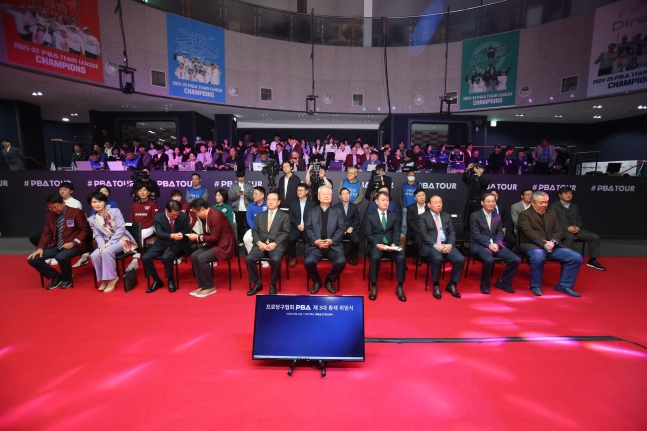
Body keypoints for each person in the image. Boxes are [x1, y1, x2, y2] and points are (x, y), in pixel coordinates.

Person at [518, 191, 583, 297]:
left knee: (576, 257)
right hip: (533, 245)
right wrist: (544, 244)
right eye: (541, 202)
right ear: (533, 202)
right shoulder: (524, 215)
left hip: (553, 246)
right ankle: (536, 286)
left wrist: (552, 242)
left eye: (546, 202)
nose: (544, 205)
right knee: (538, 257)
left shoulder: (552, 213)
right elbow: (529, 232)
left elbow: (559, 231)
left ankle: (564, 285)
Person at [27, 194, 90, 290]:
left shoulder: (77, 212)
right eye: (50, 208)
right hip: (59, 245)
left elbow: (85, 230)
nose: (53, 210)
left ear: (63, 203)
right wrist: (40, 248)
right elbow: (47, 233)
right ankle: (56, 276)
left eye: (56, 207)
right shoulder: (49, 216)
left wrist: (73, 243)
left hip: (75, 245)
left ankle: (67, 278)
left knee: (61, 256)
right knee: (33, 259)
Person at [469, 193, 521, 295]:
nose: (491, 203)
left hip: (496, 245)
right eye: (488, 201)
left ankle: (503, 282)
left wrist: (497, 244)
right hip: (481, 245)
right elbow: (476, 235)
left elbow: (500, 232)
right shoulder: (474, 215)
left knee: (515, 260)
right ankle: (485, 284)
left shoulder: (497, 216)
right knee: (489, 260)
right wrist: (489, 244)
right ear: (482, 202)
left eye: (493, 201)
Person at [87, 191, 138, 293]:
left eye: (100, 201)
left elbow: (121, 228)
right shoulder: (92, 219)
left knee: (106, 252)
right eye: (94, 202)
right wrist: (101, 245)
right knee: (94, 255)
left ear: (105, 202)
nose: (97, 204)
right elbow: (98, 235)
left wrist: (110, 243)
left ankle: (112, 278)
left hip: (122, 239)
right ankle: (104, 279)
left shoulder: (115, 211)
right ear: (91, 204)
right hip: (106, 242)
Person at [417, 195, 466, 299]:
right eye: (435, 203)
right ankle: (436, 285)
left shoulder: (446, 216)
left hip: (446, 244)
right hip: (432, 245)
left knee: (460, 259)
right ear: (429, 205)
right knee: (437, 258)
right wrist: (436, 245)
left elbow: (452, 232)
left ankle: (452, 284)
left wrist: (450, 244)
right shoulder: (423, 216)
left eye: (440, 202)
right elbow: (424, 235)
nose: (439, 204)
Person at [187, 198, 236, 298]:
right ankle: (202, 286)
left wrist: (198, 237)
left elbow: (214, 238)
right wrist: (199, 237)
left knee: (202, 258)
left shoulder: (215, 216)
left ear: (201, 209)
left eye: (196, 212)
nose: (196, 215)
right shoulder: (208, 215)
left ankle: (209, 287)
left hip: (224, 246)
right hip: (215, 243)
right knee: (194, 256)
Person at [549, 187, 605, 271]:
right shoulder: (553, 206)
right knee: (570, 237)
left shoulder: (574, 206)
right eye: (566, 193)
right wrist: (567, 228)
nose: (569, 195)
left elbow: (579, 219)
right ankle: (566, 260)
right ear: (560, 195)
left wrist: (578, 227)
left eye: (570, 193)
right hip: (561, 230)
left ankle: (592, 260)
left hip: (576, 230)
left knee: (594, 237)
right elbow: (552, 221)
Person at [303, 187, 347, 294]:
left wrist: (332, 241)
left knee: (341, 262)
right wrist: (315, 241)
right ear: (318, 197)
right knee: (308, 262)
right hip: (315, 246)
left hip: (333, 246)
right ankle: (317, 280)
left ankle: (329, 280)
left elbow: (341, 229)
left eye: (329, 194)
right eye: (323, 194)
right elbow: (307, 228)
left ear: (331, 197)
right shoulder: (311, 211)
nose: (326, 196)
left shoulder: (338, 211)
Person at [142, 200, 191, 294]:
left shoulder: (183, 216)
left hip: (178, 243)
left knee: (166, 257)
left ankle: (170, 279)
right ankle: (157, 280)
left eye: (177, 214)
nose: (176, 217)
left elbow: (187, 230)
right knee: (145, 257)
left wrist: (182, 234)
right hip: (162, 243)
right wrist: (171, 236)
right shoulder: (158, 218)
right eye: (173, 215)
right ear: (166, 211)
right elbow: (159, 234)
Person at [365, 191, 406, 301]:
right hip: (376, 245)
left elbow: (397, 232)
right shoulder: (370, 216)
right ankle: (374, 285)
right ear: (376, 202)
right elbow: (368, 234)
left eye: (387, 200)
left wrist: (394, 243)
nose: (385, 202)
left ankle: (400, 286)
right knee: (375, 257)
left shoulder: (394, 216)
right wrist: (377, 244)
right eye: (383, 200)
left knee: (401, 258)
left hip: (390, 246)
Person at [246, 192, 291, 296]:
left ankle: (273, 284)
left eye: (273, 199)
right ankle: (257, 283)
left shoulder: (284, 216)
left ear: (279, 202)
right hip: (261, 245)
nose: (270, 201)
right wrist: (259, 243)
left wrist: (275, 244)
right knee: (249, 258)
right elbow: (255, 231)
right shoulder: (260, 216)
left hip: (276, 245)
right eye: (269, 199)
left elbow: (286, 233)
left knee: (275, 260)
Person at [287, 183, 316, 268]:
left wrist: (305, 225)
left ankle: (307, 258)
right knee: (291, 239)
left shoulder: (312, 204)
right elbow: (291, 216)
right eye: (298, 190)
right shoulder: (293, 203)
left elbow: (313, 217)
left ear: (306, 191)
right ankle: (293, 258)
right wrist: (297, 225)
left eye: (301, 190)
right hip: (296, 227)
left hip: (307, 227)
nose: (299, 192)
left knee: (309, 239)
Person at [334, 187, 360, 266]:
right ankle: (338, 257)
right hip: (340, 230)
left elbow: (357, 219)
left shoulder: (354, 206)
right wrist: (342, 229)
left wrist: (351, 227)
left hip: (350, 229)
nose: (346, 195)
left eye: (347, 194)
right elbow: (334, 220)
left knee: (356, 240)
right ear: (340, 196)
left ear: (350, 195)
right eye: (343, 194)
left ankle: (349, 255)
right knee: (335, 240)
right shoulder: (336, 206)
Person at [228, 171, 254, 242]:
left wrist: (246, 194)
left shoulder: (250, 185)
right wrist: (236, 194)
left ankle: (251, 239)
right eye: (239, 177)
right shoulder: (233, 186)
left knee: (249, 224)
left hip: (248, 208)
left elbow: (253, 197)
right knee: (239, 226)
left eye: (242, 177)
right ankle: (241, 240)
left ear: (244, 176)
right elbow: (230, 197)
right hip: (237, 209)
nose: (240, 178)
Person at [462, 162, 490, 227]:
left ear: (483, 170)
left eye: (480, 168)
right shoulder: (471, 180)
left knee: (478, 223)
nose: (478, 169)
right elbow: (464, 178)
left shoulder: (486, 180)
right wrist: (467, 169)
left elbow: (484, 182)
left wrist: (479, 175)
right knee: (469, 222)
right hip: (470, 204)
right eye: (477, 168)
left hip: (479, 204)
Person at [243, 187, 268, 259]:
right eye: (253, 194)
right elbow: (249, 219)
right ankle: (255, 258)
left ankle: (264, 258)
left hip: (267, 229)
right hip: (254, 228)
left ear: (262, 195)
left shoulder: (268, 204)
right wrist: (255, 229)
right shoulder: (250, 206)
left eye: (256, 194)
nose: (254, 195)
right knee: (246, 239)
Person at [405, 187, 428, 265]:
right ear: (415, 198)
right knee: (419, 240)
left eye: (423, 195)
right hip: (415, 231)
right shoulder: (411, 208)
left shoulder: (429, 207)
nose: (421, 197)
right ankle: (419, 257)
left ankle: (429, 257)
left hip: (427, 230)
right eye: (419, 196)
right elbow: (409, 221)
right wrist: (418, 229)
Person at [401, 170, 422, 239]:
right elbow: (400, 196)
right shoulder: (403, 185)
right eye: (410, 175)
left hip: (416, 208)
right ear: (407, 176)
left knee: (416, 223)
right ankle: (403, 238)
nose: (412, 176)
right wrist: (402, 206)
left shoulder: (418, 185)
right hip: (406, 207)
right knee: (404, 224)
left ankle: (417, 237)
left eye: (413, 175)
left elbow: (421, 195)